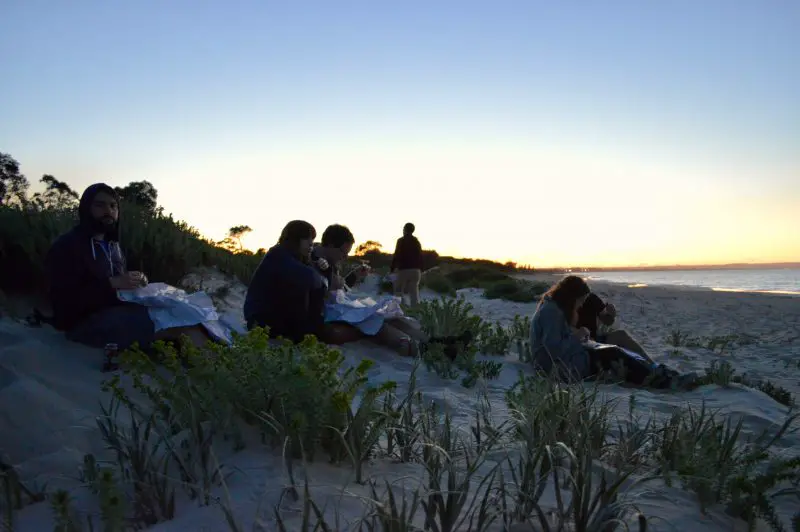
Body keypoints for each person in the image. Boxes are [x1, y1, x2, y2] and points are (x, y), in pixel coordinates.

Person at [46, 183, 210, 351]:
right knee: (181, 324)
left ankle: (215, 365)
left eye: (113, 206)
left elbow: (119, 283)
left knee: (187, 312)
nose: (108, 211)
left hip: (118, 311)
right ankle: (212, 373)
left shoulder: (113, 246)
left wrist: (137, 281)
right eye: (99, 205)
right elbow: (64, 302)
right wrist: (112, 284)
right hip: (84, 325)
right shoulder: (67, 246)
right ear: (86, 208)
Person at [529, 275, 696, 389]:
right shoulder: (552, 312)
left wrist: (578, 336)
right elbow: (553, 349)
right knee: (614, 353)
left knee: (616, 350)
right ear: (572, 296)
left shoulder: (555, 308)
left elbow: (557, 340)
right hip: (559, 367)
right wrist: (577, 337)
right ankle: (661, 380)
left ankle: (658, 372)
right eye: (580, 301)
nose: (580, 305)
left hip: (568, 358)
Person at [312, 224, 427, 356]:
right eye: (343, 253)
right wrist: (329, 285)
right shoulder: (313, 261)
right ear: (331, 245)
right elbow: (319, 291)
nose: (344, 257)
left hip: (341, 306)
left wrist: (355, 276)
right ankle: (411, 346)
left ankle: (429, 340)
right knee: (373, 318)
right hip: (331, 311)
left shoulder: (330, 261)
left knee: (386, 314)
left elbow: (339, 288)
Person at [244, 220, 326, 343]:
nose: (311, 243)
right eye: (306, 239)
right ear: (294, 239)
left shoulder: (294, 257)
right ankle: (306, 333)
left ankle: (309, 332)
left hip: (272, 317)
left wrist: (321, 268)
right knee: (303, 287)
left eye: (312, 240)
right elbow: (311, 279)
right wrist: (317, 271)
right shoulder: (278, 254)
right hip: (260, 319)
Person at [577, 292, 654, 364]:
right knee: (621, 335)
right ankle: (651, 365)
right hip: (590, 345)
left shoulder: (568, 303)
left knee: (619, 335)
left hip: (586, 342)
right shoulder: (592, 298)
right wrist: (611, 313)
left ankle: (650, 365)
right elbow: (608, 321)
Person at [390, 222, 423, 306]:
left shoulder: (401, 240)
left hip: (404, 269)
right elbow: (420, 256)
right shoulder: (417, 241)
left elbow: (396, 255)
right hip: (416, 270)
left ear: (404, 229)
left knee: (398, 291)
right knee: (414, 293)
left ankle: (402, 309)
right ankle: (415, 311)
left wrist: (392, 268)